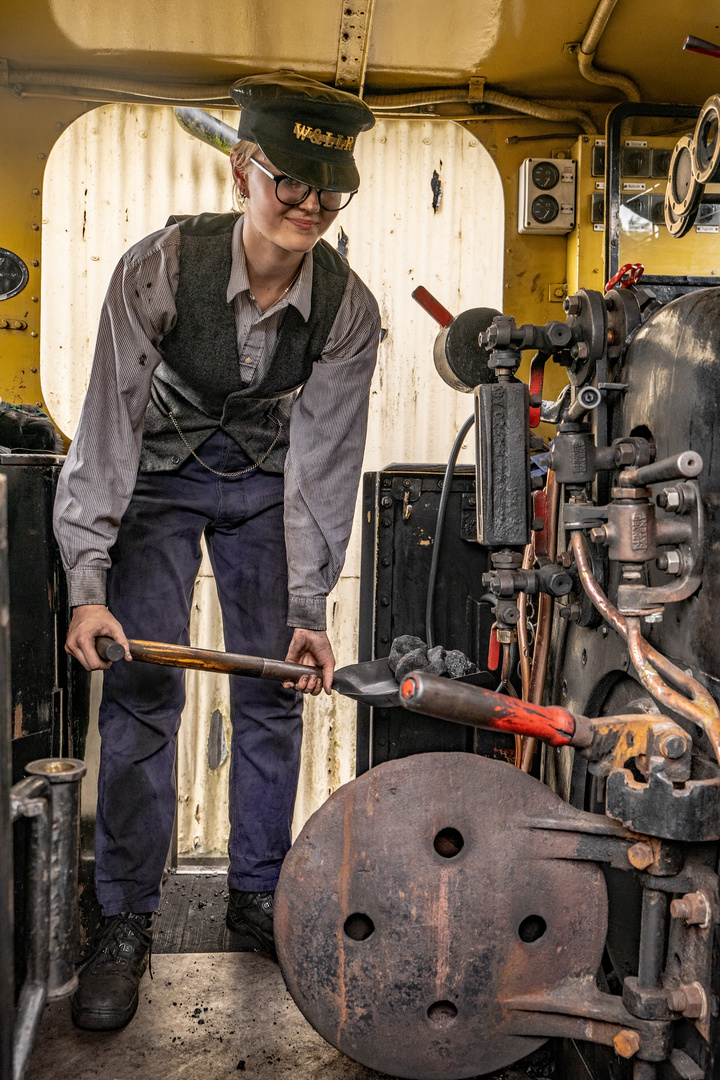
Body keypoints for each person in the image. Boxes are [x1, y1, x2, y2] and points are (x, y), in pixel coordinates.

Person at [53, 71, 380, 1031]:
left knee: (275, 692)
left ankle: (257, 899)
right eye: (290, 184)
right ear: (245, 169)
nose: (310, 207)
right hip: (153, 481)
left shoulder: (347, 311)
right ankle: (123, 919)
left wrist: (309, 615)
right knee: (144, 694)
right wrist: (88, 584)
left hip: (267, 492)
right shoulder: (158, 268)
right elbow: (107, 426)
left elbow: (325, 463)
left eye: (330, 191)